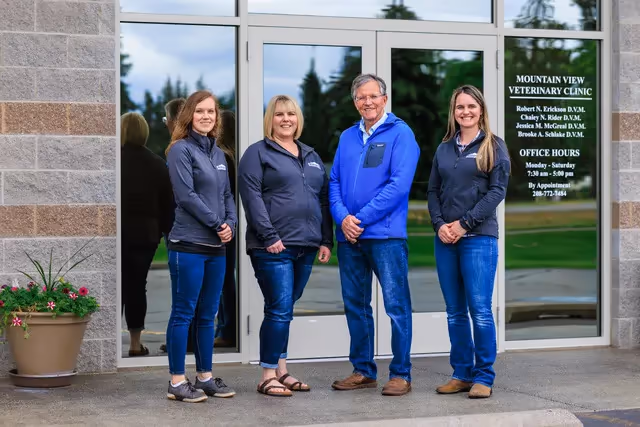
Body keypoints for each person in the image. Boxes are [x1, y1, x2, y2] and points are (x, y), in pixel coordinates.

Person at [329, 74, 419, 397]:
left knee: (396, 306)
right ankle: (363, 371)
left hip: (385, 236)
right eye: (361, 97)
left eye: (372, 96)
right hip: (350, 238)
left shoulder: (401, 134)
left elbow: (398, 186)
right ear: (355, 102)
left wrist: (360, 219)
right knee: (356, 305)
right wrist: (343, 219)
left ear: (384, 99)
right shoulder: (347, 137)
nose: (367, 102)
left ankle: (401, 374)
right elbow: (334, 181)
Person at [238, 95, 333, 397]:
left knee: (285, 309)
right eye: (279, 114)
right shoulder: (257, 153)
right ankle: (267, 375)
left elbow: (322, 200)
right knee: (279, 308)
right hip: (272, 246)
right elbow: (251, 198)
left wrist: (326, 239)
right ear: (271, 119)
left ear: (298, 119)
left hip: (306, 245)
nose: (286, 119)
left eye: (291, 114)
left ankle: (282, 370)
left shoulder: (311, 155)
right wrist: (269, 236)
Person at [427, 85, 510, 399]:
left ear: (481, 110)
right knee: (455, 312)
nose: (466, 112)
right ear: (454, 112)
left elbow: (497, 192)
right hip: (446, 240)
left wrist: (464, 224)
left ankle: (484, 376)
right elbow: (432, 191)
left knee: (480, 310)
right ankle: (461, 373)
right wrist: (440, 225)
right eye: (460, 107)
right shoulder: (444, 148)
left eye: (471, 106)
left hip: (478, 239)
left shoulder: (494, 146)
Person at [164, 90, 237, 403]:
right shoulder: (179, 150)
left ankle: (205, 378)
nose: (206, 116)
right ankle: (177, 382)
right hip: (189, 245)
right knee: (184, 314)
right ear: (189, 115)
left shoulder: (218, 154)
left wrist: (231, 223)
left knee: (208, 315)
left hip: (216, 248)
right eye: (200, 111)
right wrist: (218, 223)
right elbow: (186, 196)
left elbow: (227, 195)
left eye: (211, 111)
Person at [120, 112, 174, 357]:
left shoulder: (114, 160)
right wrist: (163, 231)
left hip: (118, 233)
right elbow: (167, 205)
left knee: (117, 287)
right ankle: (135, 343)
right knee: (136, 286)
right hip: (146, 236)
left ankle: (108, 343)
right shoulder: (157, 164)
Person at [159, 98, 184, 355]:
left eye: (166, 120)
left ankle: (180, 343)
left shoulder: (176, 151)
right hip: (183, 230)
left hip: (180, 231)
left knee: (182, 295)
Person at [214, 110, 238, 349]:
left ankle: (227, 329)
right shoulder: (235, 157)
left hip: (224, 226)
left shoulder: (222, 157)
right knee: (227, 278)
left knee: (224, 280)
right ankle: (227, 327)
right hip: (232, 224)